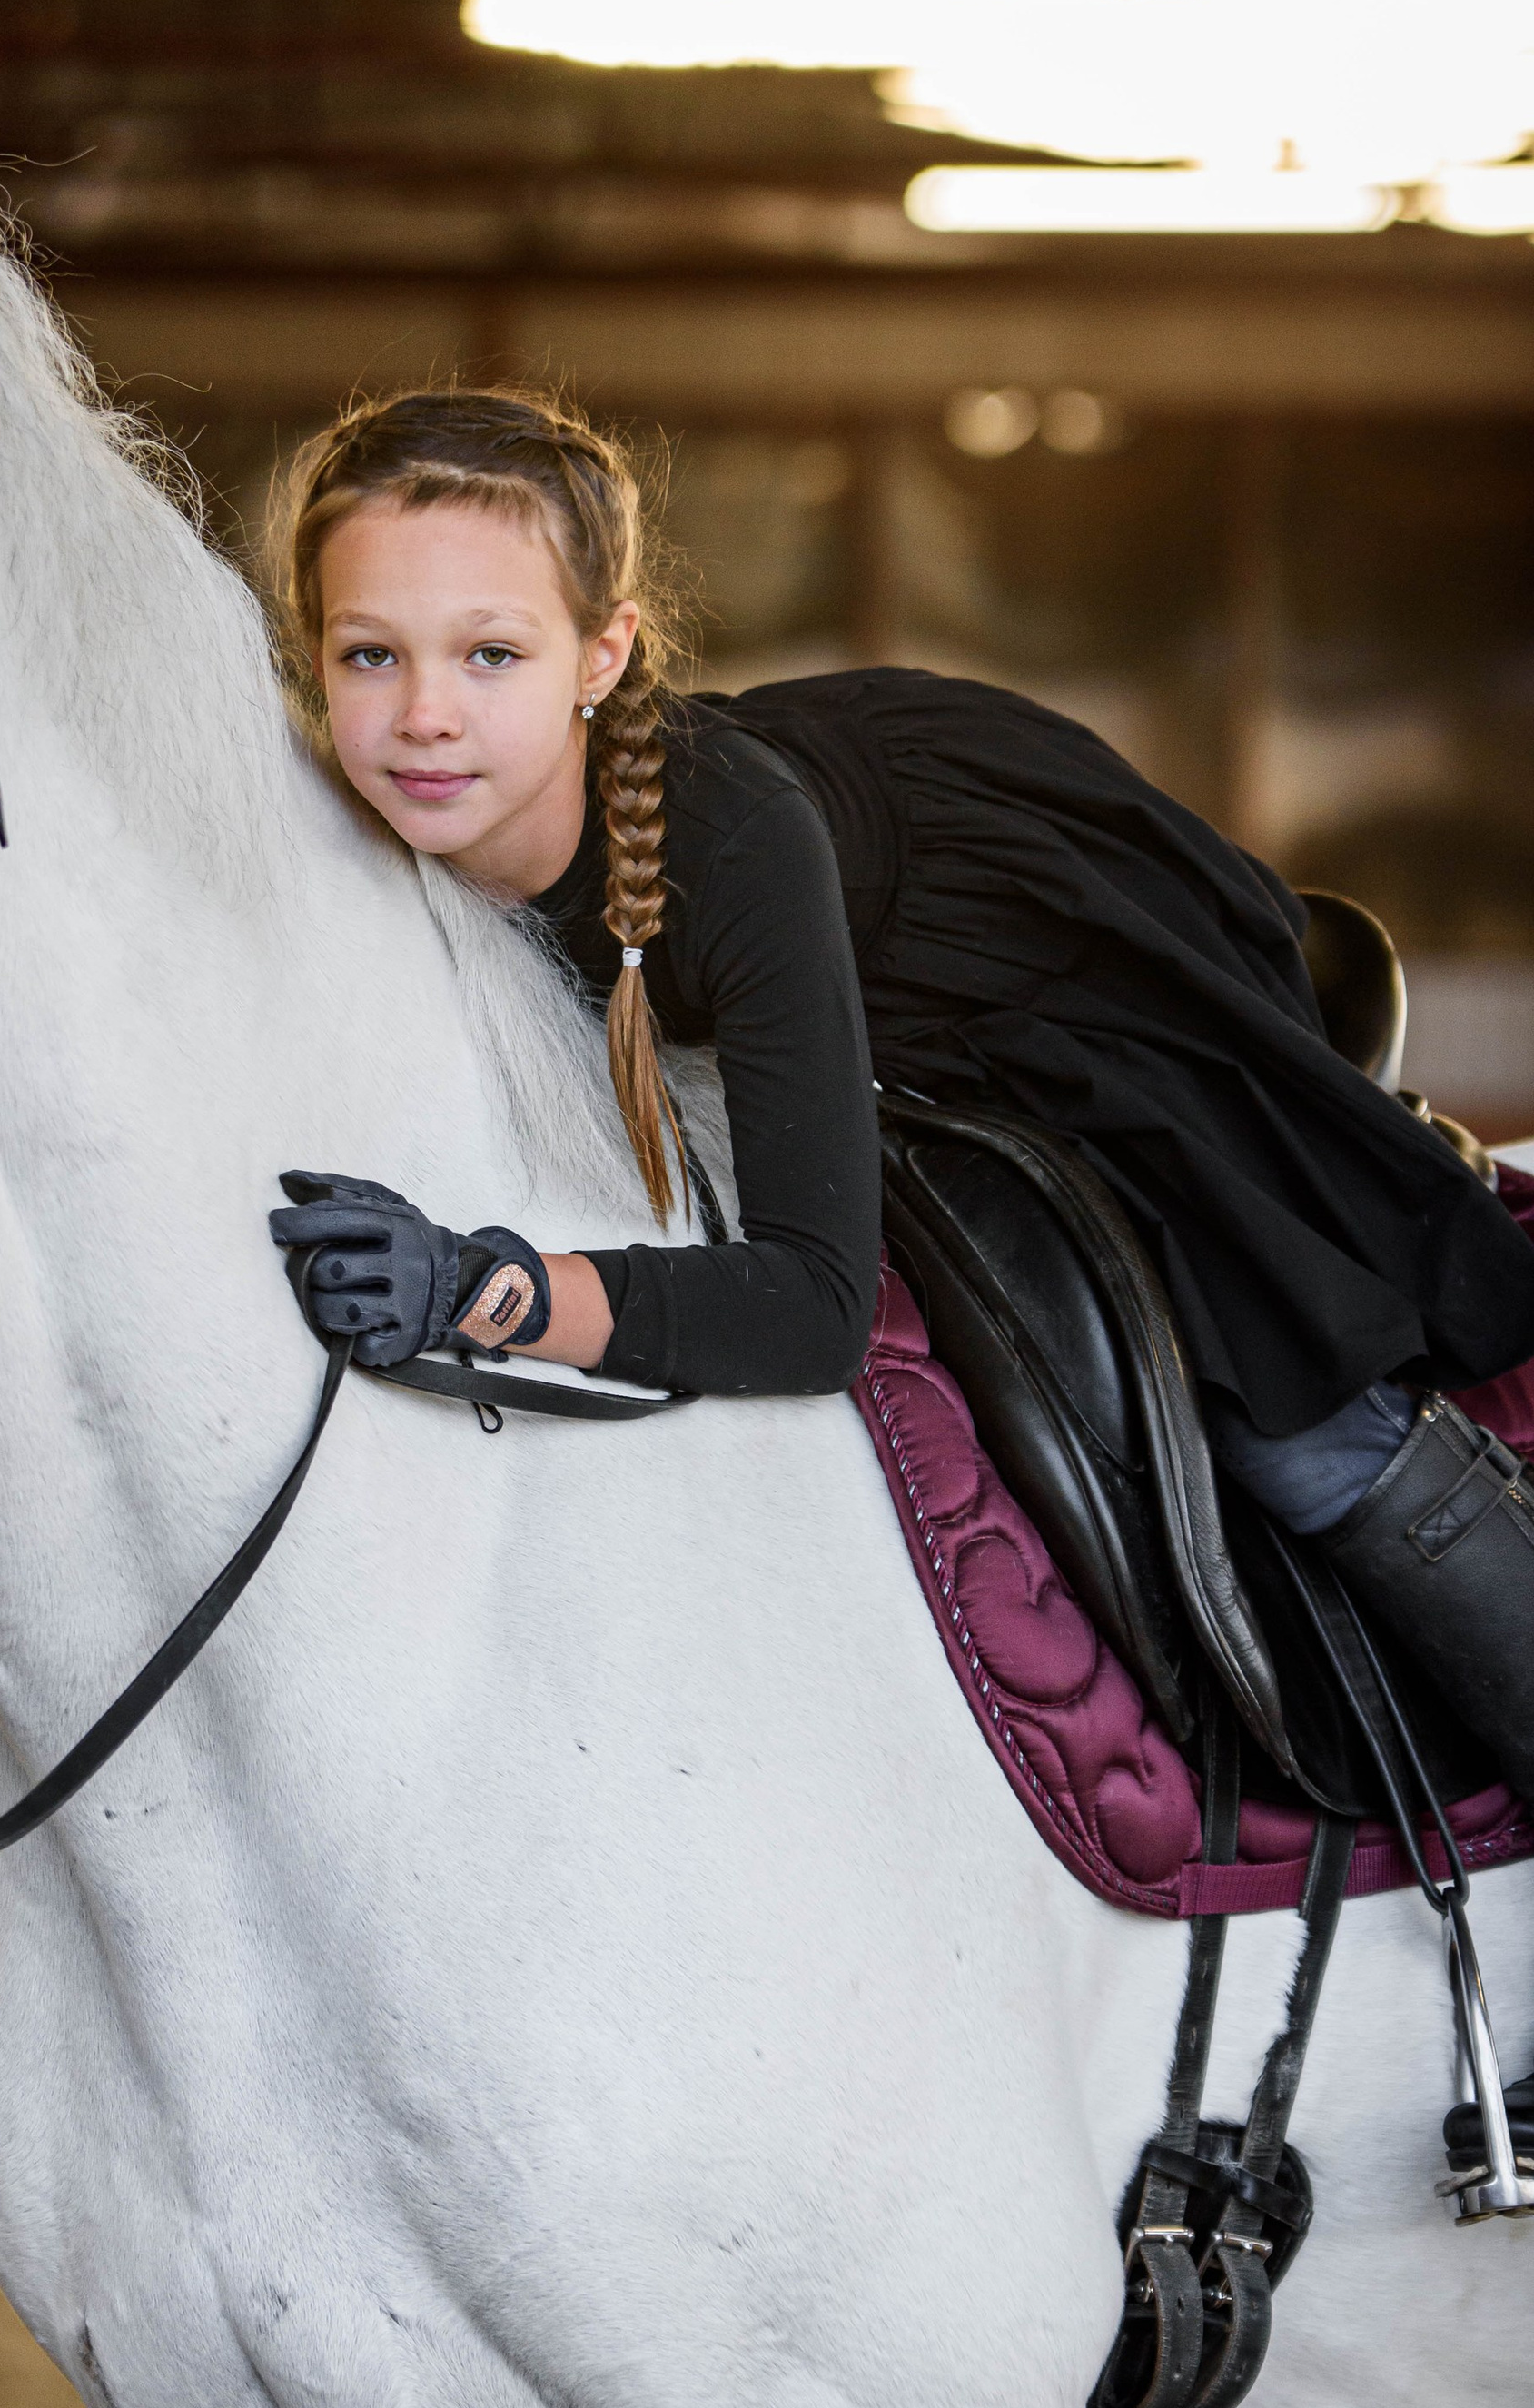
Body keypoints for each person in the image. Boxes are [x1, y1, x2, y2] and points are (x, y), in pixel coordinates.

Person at [263, 386, 1534, 1795]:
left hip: (1041, 962)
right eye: (370, 655)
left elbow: (814, 1310)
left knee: (1278, 1409)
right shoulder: (344, 817)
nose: (425, 718)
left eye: (492, 653)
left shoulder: (734, 842)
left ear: (601, 655)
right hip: (826, 973)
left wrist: (476, 1287)